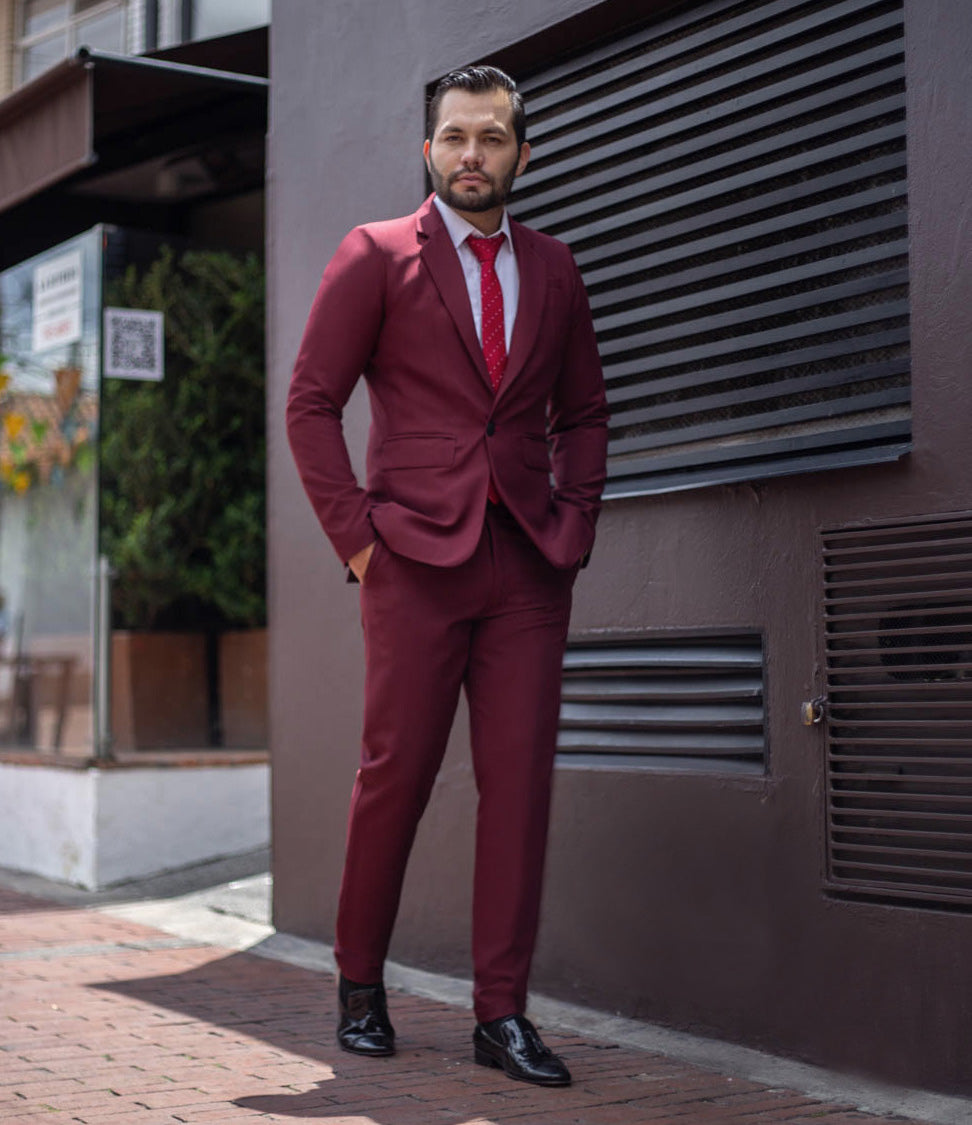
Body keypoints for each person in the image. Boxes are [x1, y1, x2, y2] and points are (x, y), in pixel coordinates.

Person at [287, 64, 608, 1088]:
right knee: (397, 779)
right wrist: (359, 541)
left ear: (523, 153)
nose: (474, 155)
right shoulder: (377, 255)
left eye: (494, 137)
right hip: (413, 563)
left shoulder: (555, 268)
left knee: (519, 791)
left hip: (527, 569)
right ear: (429, 150)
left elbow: (585, 414)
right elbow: (310, 403)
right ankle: (359, 984)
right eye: (456, 137)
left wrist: (576, 520)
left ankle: (500, 1015)